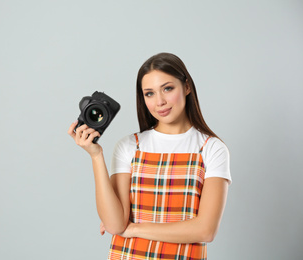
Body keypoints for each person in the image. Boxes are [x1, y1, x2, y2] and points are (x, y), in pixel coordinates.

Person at [67, 52, 231, 259]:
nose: (160, 101)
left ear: (187, 87)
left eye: (168, 88)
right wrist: (96, 156)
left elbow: (205, 230)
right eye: (149, 93)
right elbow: (115, 224)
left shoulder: (211, 148)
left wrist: (134, 229)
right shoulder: (129, 146)